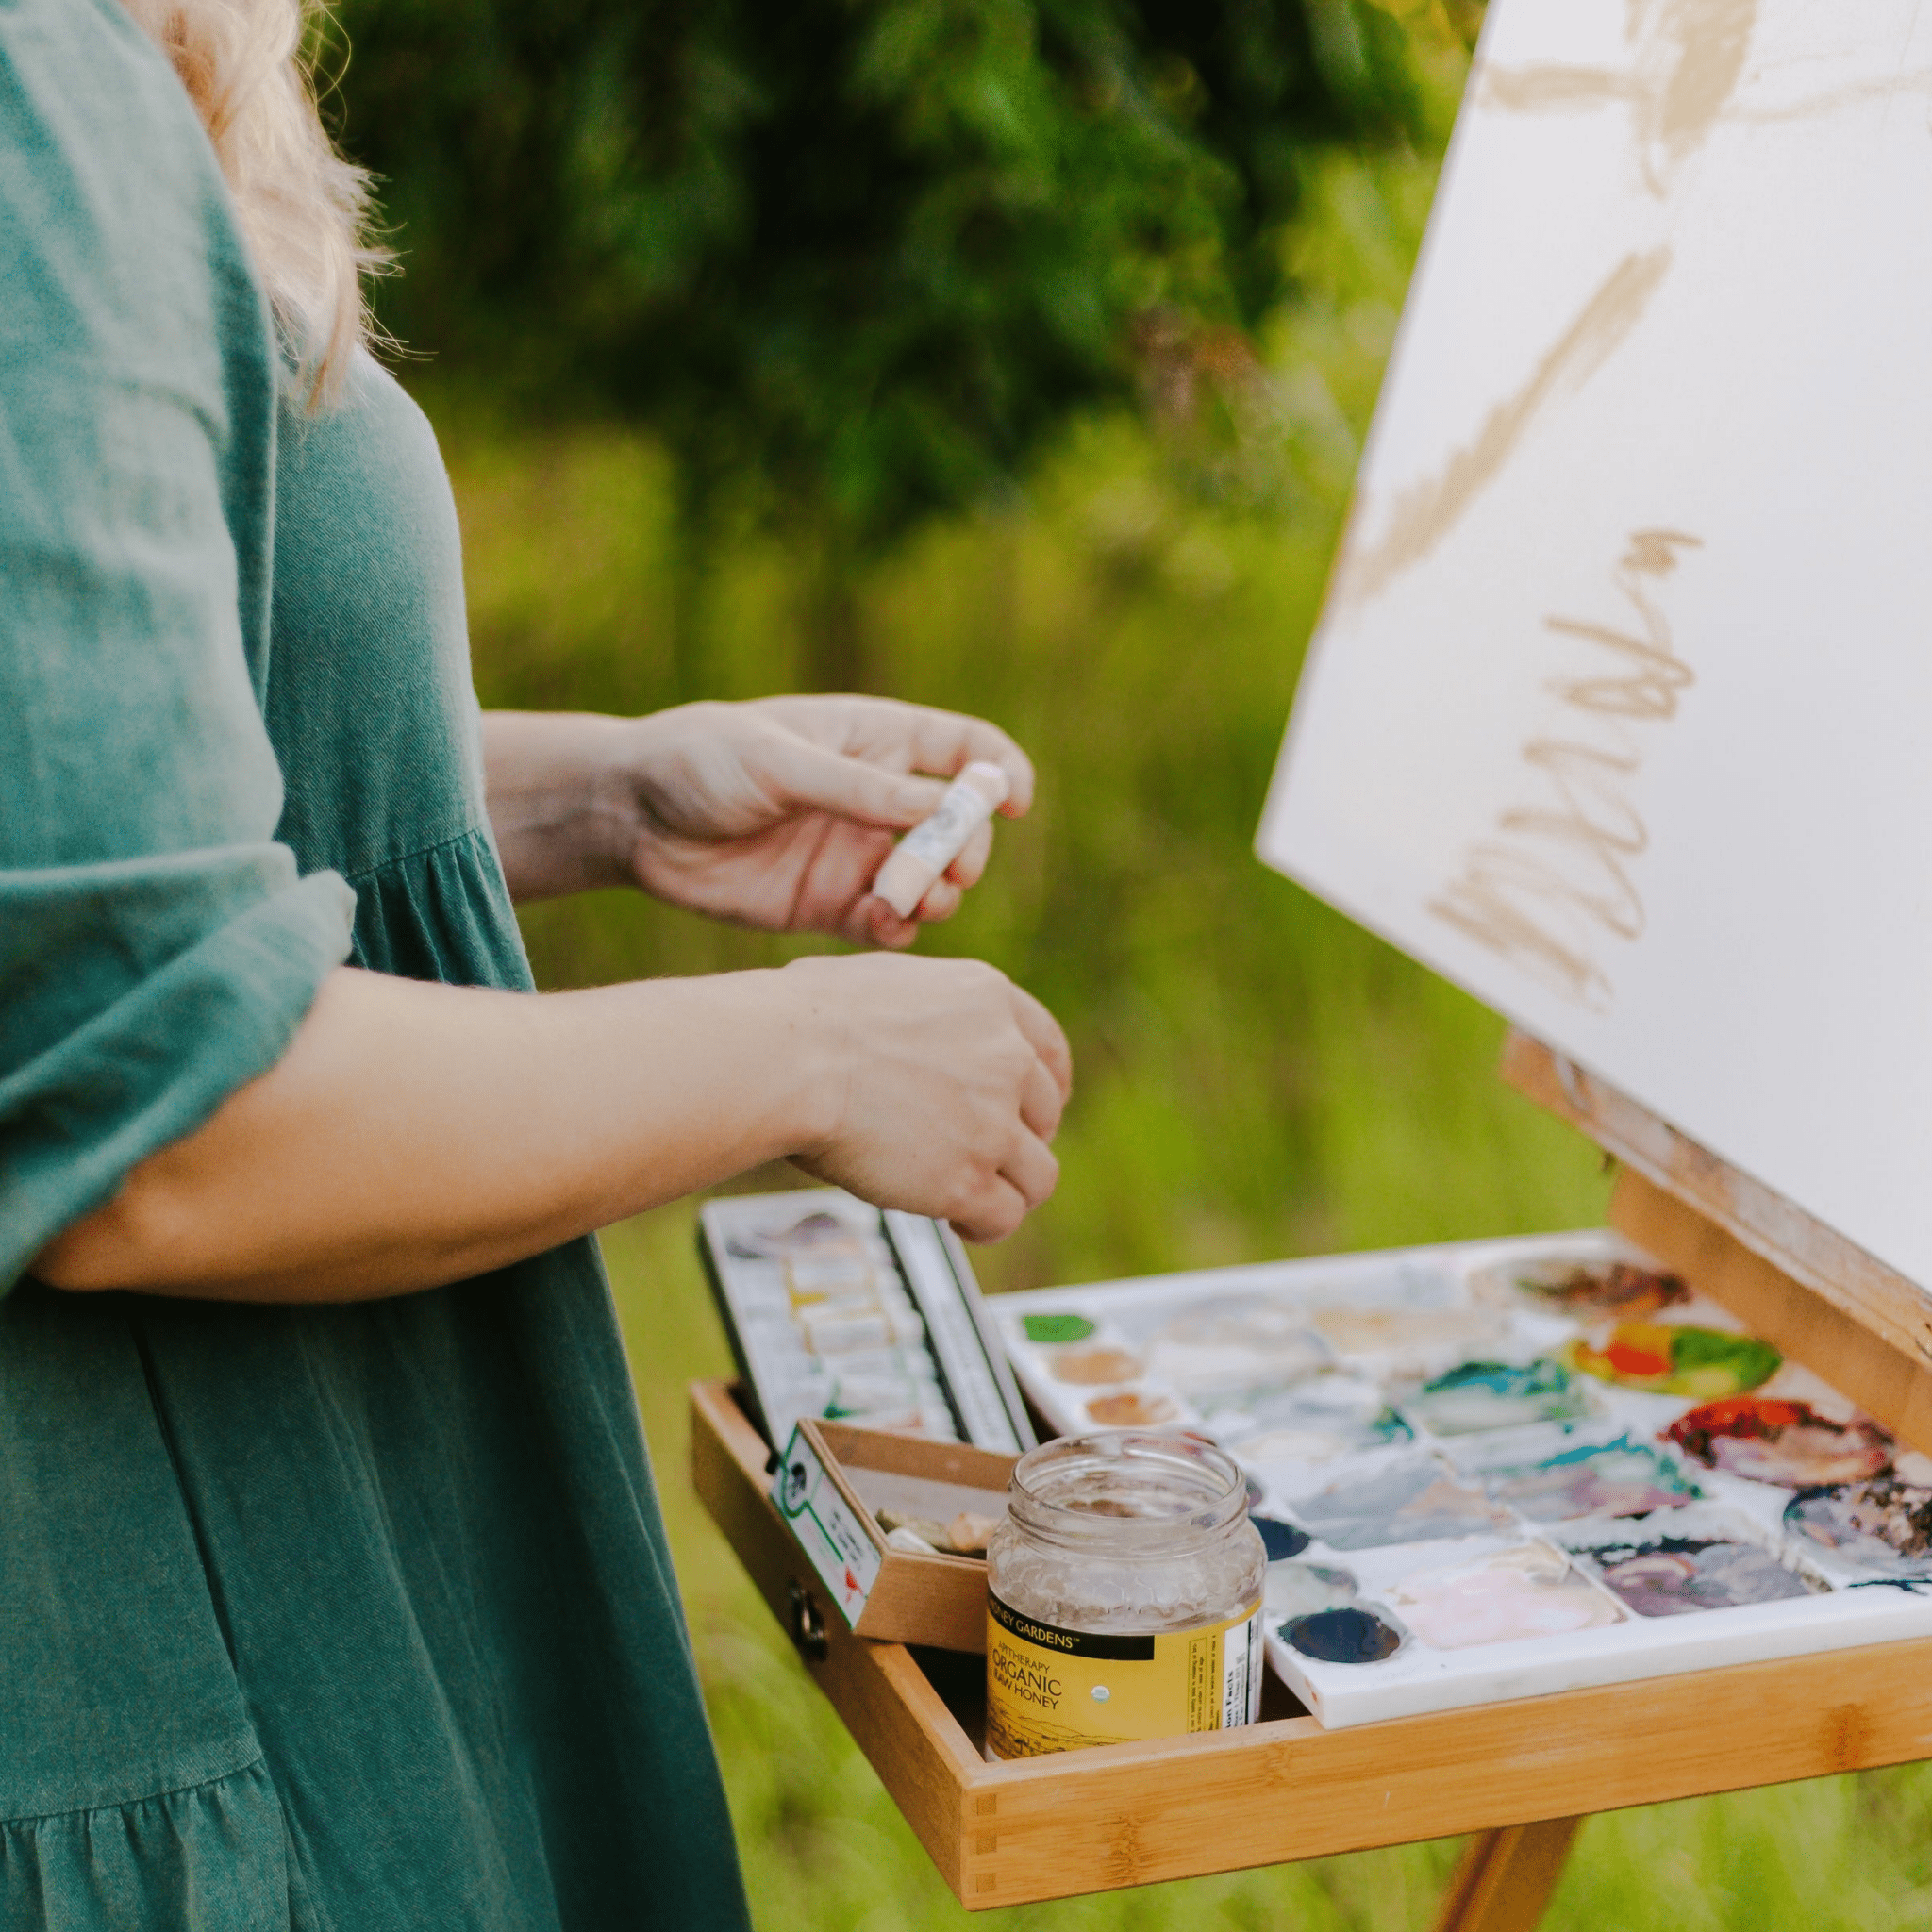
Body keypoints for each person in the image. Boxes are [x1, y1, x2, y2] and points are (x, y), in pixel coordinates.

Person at [0, 1, 1072, 1926]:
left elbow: (70, 811)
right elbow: (170, 1121)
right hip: (148, 1683)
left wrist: (613, 801)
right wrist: (814, 1056)